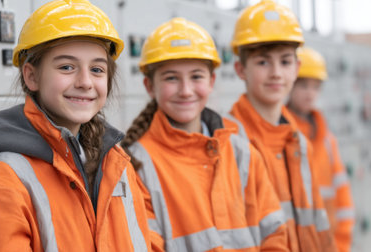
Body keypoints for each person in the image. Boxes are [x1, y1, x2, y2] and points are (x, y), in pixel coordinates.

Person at [0, 0, 150, 251]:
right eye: (67, 67)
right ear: (31, 76)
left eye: (97, 69)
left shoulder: (117, 165)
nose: (86, 82)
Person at [121, 17, 289, 251]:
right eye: (171, 78)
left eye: (196, 76)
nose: (186, 90)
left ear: (211, 81)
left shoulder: (242, 152)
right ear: (149, 86)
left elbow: (275, 234)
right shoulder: (137, 164)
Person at [228, 0, 337, 251]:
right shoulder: (230, 141)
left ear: (297, 68)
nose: (276, 72)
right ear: (240, 68)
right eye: (263, 62)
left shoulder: (299, 141)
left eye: (285, 62)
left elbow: (318, 225)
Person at [287, 46, 354, 252]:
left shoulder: (327, 140)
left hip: (327, 244)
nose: (310, 93)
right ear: (290, 84)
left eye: (316, 87)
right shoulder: (282, 134)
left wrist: (341, 245)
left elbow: (342, 196)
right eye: (304, 85)